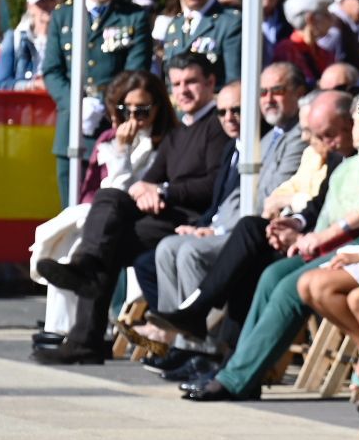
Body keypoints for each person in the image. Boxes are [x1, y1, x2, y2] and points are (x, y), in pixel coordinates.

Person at [180, 88, 359, 401]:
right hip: (327, 241)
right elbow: (319, 207)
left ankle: (236, 379)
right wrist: (297, 228)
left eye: (333, 132)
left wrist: (312, 237)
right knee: (271, 275)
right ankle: (239, 369)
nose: (326, 142)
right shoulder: (342, 162)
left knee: (289, 287)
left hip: (355, 243)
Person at [37, 53, 231, 364]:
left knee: (105, 245)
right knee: (110, 200)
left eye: (192, 82)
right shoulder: (180, 131)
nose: (183, 90)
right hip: (163, 213)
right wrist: (144, 188)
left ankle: (84, 337)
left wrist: (163, 190)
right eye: (177, 83)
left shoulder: (216, 126)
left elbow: (212, 184)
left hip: (191, 220)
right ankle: (84, 308)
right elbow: (148, 181)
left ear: (210, 83)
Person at [146, 65, 308, 366]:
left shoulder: (299, 137)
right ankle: (181, 342)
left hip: (267, 231)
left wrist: (218, 230)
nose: (268, 99)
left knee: (189, 254)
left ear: (299, 93)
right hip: (236, 225)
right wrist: (211, 225)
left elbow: (270, 196)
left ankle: (202, 348)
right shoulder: (270, 137)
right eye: (263, 93)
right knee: (168, 247)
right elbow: (238, 194)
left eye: (278, 91)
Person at [30, 71, 172, 349]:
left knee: (86, 232)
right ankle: (62, 325)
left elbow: (123, 190)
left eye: (142, 110)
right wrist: (119, 146)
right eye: (125, 109)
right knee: (78, 233)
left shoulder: (165, 143)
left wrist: (123, 153)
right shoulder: (108, 138)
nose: (133, 118)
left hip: (143, 217)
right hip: (104, 217)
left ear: (157, 108)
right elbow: (94, 191)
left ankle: (75, 322)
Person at [44, 0, 153, 203]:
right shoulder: (64, 16)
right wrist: (76, 103)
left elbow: (134, 73)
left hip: (114, 127)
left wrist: (107, 105)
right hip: (73, 127)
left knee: (106, 207)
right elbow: (52, 70)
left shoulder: (133, 17)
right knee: (70, 211)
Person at [0, 0, 60, 91]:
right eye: (41, 1)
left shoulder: (69, 39)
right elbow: (2, 84)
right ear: (29, 6)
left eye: (52, 0)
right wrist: (33, 85)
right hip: (23, 107)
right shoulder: (14, 38)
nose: (47, 6)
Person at [273, 0, 338, 85]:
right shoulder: (287, 50)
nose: (332, 19)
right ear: (310, 18)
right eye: (326, 14)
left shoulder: (323, 53)